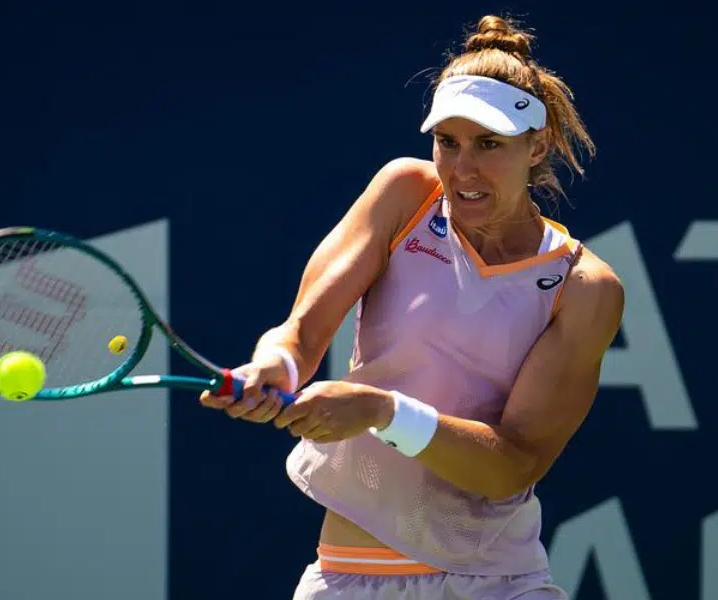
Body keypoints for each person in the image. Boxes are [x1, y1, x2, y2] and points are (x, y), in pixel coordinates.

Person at [200, 14, 624, 600]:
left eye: (489, 144)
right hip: (349, 578)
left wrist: (382, 411)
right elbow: (299, 334)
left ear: (538, 145)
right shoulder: (405, 195)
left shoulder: (583, 287)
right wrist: (277, 365)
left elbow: (512, 465)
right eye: (447, 142)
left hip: (498, 585)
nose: (463, 169)